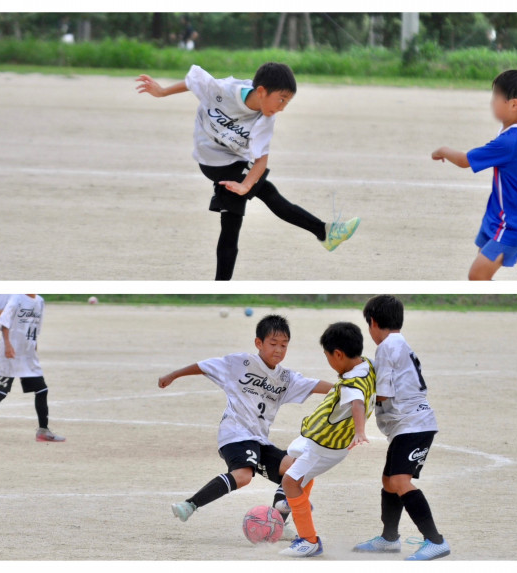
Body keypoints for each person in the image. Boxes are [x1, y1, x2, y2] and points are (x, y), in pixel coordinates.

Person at [136, 63, 360, 280]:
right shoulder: (225, 90)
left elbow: (261, 161)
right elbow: (194, 80)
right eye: (281, 99)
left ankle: (221, 283)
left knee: (231, 225)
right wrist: (162, 92)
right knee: (268, 192)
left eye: (287, 102)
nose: (282, 107)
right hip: (212, 160)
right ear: (261, 91)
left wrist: (245, 186)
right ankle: (324, 232)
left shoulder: (265, 119)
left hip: (235, 160)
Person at [158, 314, 333, 524]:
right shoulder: (240, 363)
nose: (279, 349)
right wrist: (173, 375)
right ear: (259, 343)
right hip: (236, 434)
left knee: (299, 471)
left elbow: (315, 385)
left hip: (259, 440)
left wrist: (346, 390)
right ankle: (190, 505)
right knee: (243, 476)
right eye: (273, 343)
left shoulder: (286, 378)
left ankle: (276, 523)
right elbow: (204, 366)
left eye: (284, 345)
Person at [354, 295, 449, 561]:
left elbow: (384, 393)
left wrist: (355, 399)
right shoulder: (400, 343)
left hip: (413, 425)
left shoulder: (386, 347)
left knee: (399, 481)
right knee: (388, 481)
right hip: (407, 425)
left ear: (373, 322)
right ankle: (389, 538)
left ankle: (435, 541)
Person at [278, 322, 376, 558]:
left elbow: (357, 403)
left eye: (328, 356)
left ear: (339, 354)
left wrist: (360, 431)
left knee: (289, 482)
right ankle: (299, 501)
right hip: (318, 439)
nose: (329, 361)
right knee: (293, 461)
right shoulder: (368, 365)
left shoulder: (352, 384)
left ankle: (309, 540)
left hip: (325, 446)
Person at [432, 69, 517, 280]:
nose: (491, 102)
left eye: (496, 96)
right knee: (482, 264)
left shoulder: (508, 143)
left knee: (477, 276)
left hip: (513, 223)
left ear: (514, 105)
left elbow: (465, 161)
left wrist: (443, 150)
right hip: (500, 214)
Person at [0, 294, 65, 442]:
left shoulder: (40, 301)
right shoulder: (17, 298)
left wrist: (34, 349)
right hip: (10, 354)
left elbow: (36, 329)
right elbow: (4, 323)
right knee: (0, 393)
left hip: (28, 355)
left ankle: (43, 431)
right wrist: (8, 345)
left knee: (42, 390)